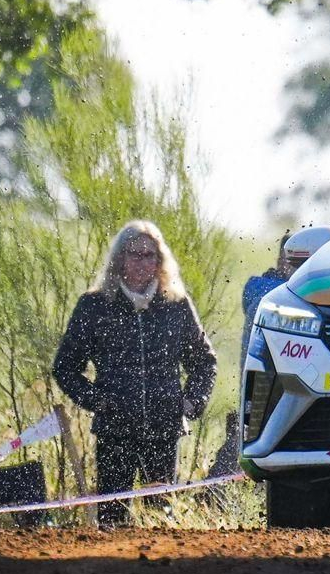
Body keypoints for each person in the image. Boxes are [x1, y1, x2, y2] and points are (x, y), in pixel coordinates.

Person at [54, 220, 217, 528]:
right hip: (115, 429)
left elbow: (204, 360)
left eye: (150, 255)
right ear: (120, 258)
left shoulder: (176, 304)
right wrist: (99, 401)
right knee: (112, 520)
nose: (143, 262)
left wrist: (192, 401)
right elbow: (64, 368)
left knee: (162, 519)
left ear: (160, 261)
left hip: (164, 428)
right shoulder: (94, 305)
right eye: (135, 254)